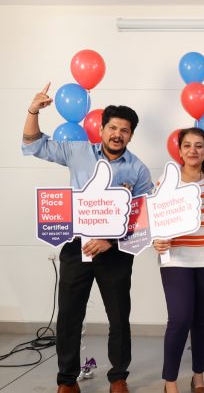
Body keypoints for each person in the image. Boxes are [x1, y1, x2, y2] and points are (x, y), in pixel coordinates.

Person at [22, 83, 153, 393]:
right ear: (102, 129)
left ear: (131, 135)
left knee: (118, 317)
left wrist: (111, 242)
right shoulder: (78, 151)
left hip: (116, 250)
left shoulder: (138, 169)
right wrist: (33, 110)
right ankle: (67, 381)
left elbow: (145, 217)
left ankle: (118, 377)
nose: (117, 134)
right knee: (69, 316)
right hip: (77, 246)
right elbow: (33, 144)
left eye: (124, 130)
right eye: (113, 128)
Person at [151, 129, 204, 393]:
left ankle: (198, 378)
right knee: (179, 319)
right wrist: (156, 240)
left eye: (199, 146)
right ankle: (170, 382)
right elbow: (154, 218)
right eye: (187, 145)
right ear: (179, 150)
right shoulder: (167, 180)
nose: (193, 150)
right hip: (176, 259)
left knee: (202, 320)